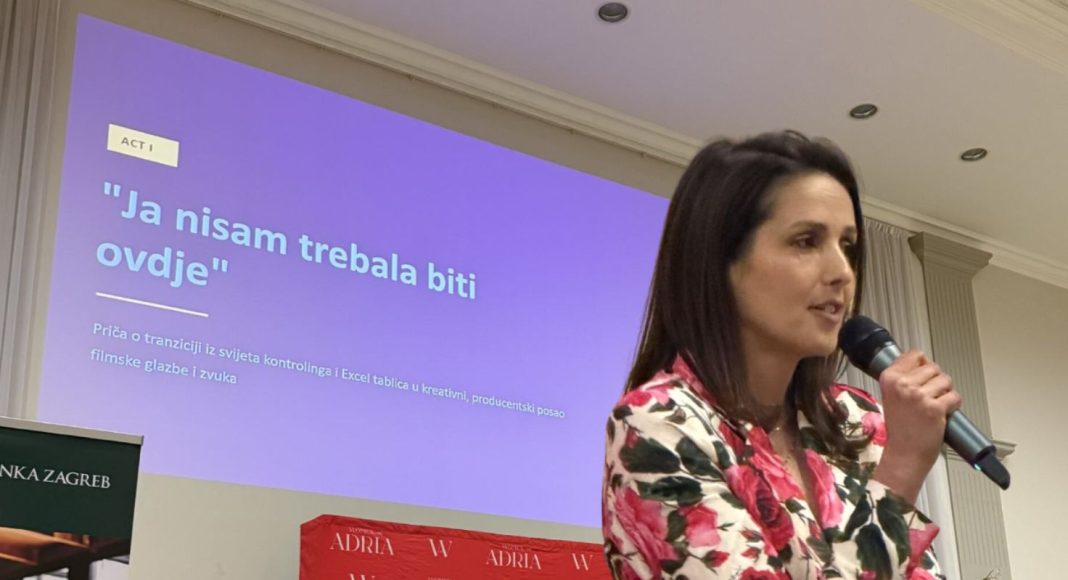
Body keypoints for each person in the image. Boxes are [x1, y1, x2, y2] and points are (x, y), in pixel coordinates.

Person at [602, 131, 959, 579]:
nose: (842, 272)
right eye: (806, 241)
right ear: (721, 262)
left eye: (848, 247)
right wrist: (902, 470)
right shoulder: (657, 423)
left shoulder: (857, 421)